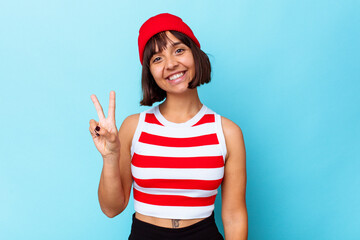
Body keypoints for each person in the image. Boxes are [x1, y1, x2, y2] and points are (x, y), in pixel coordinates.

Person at [89, 13, 247, 240]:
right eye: (157, 59)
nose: (171, 64)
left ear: (195, 53)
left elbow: (234, 215)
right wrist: (111, 157)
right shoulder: (135, 127)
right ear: (150, 73)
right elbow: (111, 208)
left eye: (179, 50)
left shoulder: (228, 133)